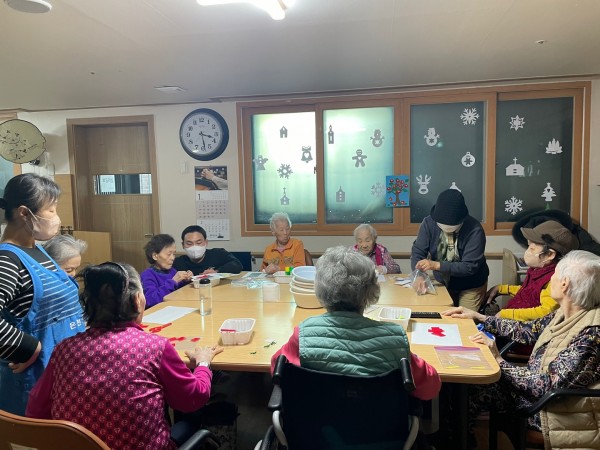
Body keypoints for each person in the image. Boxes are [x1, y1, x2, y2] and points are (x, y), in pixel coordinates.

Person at [26, 262, 224, 450]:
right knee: (189, 420)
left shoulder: (63, 350)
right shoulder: (154, 347)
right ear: (138, 300)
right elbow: (193, 398)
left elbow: (36, 410)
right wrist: (203, 363)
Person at [442, 250, 600, 449]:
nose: (550, 279)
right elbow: (529, 330)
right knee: (461, 386)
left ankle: (456, 441)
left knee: (469, 390)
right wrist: (480, 318)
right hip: (537, 394)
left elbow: (545, 387)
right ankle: (455, 439)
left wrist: (499, 361)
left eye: (554, 275)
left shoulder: (590, 334)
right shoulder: (566, 313)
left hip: (553, 412)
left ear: (564, 284)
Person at [272, 246, 441, 401]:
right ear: (372, 291)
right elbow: (430, 388)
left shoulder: (303, 335)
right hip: (380, 424)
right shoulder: (395, 338)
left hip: (316, 423)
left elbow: (277, 368)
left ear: (320, 290)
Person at [0, 173, 86, 415]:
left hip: (61, 376)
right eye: (51, 210)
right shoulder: (7, 260)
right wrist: (28, 347)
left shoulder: (38, 251)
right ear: (24, 213)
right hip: (34, 383)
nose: (56, 217)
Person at [482, 220, 579, 321]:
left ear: (550, 254)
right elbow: (530, 292)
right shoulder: (538, 270)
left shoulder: (555, 279)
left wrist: (506, 314)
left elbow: (546, 312)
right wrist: (502, 289)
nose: (527, 252)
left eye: (532, 249)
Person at [411, 189, 489, 310]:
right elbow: (418, 252)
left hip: (471, 285)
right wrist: (419, 275)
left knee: (464, 317)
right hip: (443, 282)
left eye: (452, 225)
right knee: (442, 314)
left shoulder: (475, 229)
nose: (447, 227)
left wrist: (436, 265)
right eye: (443, 224)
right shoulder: (428, 223)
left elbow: (469, 266)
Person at [141, 234, 193, 308]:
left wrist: (186, 280)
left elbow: (179, 290)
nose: (172, 258)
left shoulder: (172, 271)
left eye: (174, 254)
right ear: (155, 256)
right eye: (168, 254)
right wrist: (173, 282)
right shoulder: (147, 275)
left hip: (174, 307)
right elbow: (150, 300)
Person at [173, 225, 243, 276]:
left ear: (206, 242)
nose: (194, 247)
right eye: (189, 243)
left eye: (198, 243)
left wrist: (216, 272)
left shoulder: (218, 254)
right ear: (183, 245)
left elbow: (237, 265)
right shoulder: (178, 263)